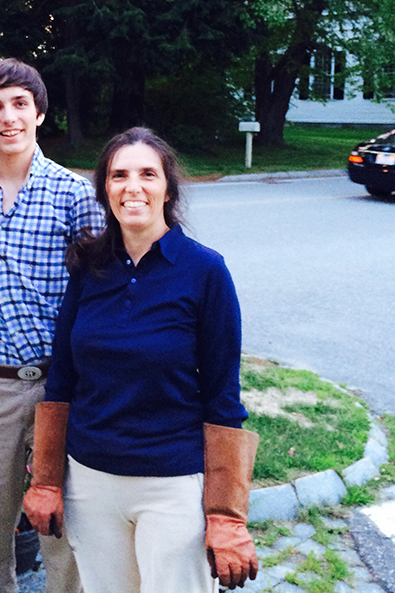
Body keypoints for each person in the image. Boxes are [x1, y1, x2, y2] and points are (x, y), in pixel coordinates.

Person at [24, 126, 259, 593]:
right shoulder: (88, 267)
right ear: (105, 189)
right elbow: (63, 379)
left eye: (147, 174)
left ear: (167, 188)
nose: (133, 187)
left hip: (172, 483)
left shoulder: (205, 271)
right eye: (119, 175)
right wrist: (48, 480)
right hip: (91, 482)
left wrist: (226, 515)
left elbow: (223, 396)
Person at [0, 58, 105, 593]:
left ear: (38, 114)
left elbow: (99, 286)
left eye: (19, 104)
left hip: (59, 388)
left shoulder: (72, 193)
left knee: (61, 528)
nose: (8, 117)